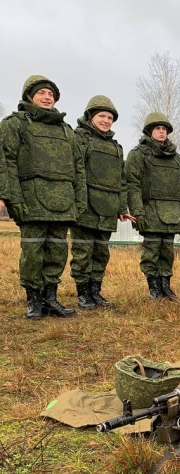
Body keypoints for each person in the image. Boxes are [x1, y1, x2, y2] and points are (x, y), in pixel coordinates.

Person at [1, 75, 87, 319]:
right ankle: (34, 301)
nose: (47, 97)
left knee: (57, 252)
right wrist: (12, 197)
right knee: (32, 252)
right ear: (29, 96)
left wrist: (79, 201)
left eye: (51, 94)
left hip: (63, 202)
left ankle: (50, 298)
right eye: (41, 93)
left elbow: (78, 168)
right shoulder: (14, 125)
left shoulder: (67, 131)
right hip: (32, 201)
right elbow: (6, 161)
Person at [125, 112, 180, 300]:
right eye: (157, 128)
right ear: (149, 131)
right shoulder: (138, 155)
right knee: (151, 252)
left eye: (164, 129)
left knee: (167, 252)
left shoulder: (177, 159)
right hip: (150, 212)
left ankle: (165, 286)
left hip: (172, 214)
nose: (161, 132)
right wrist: (138, 212)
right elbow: (132, 185)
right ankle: (154, 288)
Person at [70, 95, 133, 309]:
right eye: (102, 116)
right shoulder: (78, 139)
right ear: (90, 116)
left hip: (108, 207)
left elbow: (121, 180)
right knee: (83, 252)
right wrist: (77, 203)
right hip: (86, 206)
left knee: (101, 252)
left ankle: (95, 292)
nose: (106, 121)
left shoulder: (116, 147)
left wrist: (121, 207)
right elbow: (75, 172)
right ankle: (83, 294)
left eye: (110, 118)